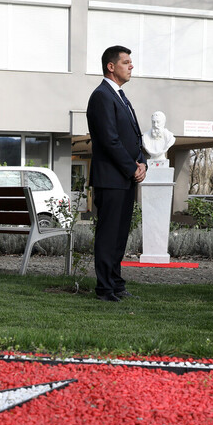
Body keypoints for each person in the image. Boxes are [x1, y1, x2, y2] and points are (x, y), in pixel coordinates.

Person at [87, 45, 148, 302]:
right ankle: (104, 288)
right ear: (111, 66)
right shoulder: (102, 96)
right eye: (126, 62)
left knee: (120, 235)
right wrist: (132, 167)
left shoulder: (121, 97)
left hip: (125, 178)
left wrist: (142, 161)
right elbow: (110, 140)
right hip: (111, 179)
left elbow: (134, 135)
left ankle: (116, 282)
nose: (131, 65)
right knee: (108, 234)